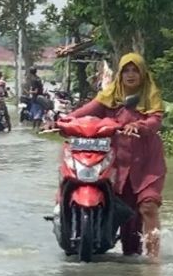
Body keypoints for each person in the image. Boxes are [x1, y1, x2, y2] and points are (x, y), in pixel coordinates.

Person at [63, 53, 166, 258]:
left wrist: (139, 125)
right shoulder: (109, 96)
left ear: (142, 73)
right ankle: (131, 260)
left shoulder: (151, 95)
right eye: (126, 70)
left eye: (134, 70)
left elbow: (155, 120)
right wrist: (64, 120)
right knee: (126, 218)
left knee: (148, 206)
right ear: (120, 74)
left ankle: (155, 260)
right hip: (118, 162)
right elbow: (84, 111)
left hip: (147, 162)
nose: (130, 75)